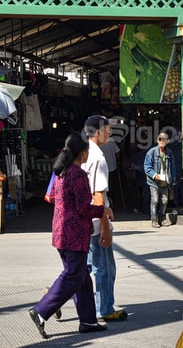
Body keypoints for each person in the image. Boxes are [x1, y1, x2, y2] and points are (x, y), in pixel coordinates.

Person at [29, 132, 111, 338]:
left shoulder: (61, 173)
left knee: (81, 276)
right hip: (74, 234)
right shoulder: (78, 175)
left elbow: (55, 198)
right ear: (82, 153)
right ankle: (41, 311)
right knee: (74, 275)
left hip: (61, 231)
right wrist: (102, 211)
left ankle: (88, 320)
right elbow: (84, 209)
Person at [83, 114, 128, 322]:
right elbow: (98, 196)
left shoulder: (81, 153)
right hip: (95, 220)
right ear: (98, 132)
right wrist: (106, 227)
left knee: (86, 266)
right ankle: (106, 309)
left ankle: (55, 295)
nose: (110, 132)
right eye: (108, 129)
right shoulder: (99, 158)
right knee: (105, 267)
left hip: (83, 219)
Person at [144, 131, 178, 227]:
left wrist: (173, 181)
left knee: (164, 200)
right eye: (160, 139)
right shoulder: (151, 152)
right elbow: (147, 166)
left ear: (167, 141)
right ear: (157, 141)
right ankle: (154, 220)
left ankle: (162, 219)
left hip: (165, 181)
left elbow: (173, 167)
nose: (162, 141)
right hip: (154, 181)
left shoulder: (169, 153)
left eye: (164, 139)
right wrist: (155, 175)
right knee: (155, 200)